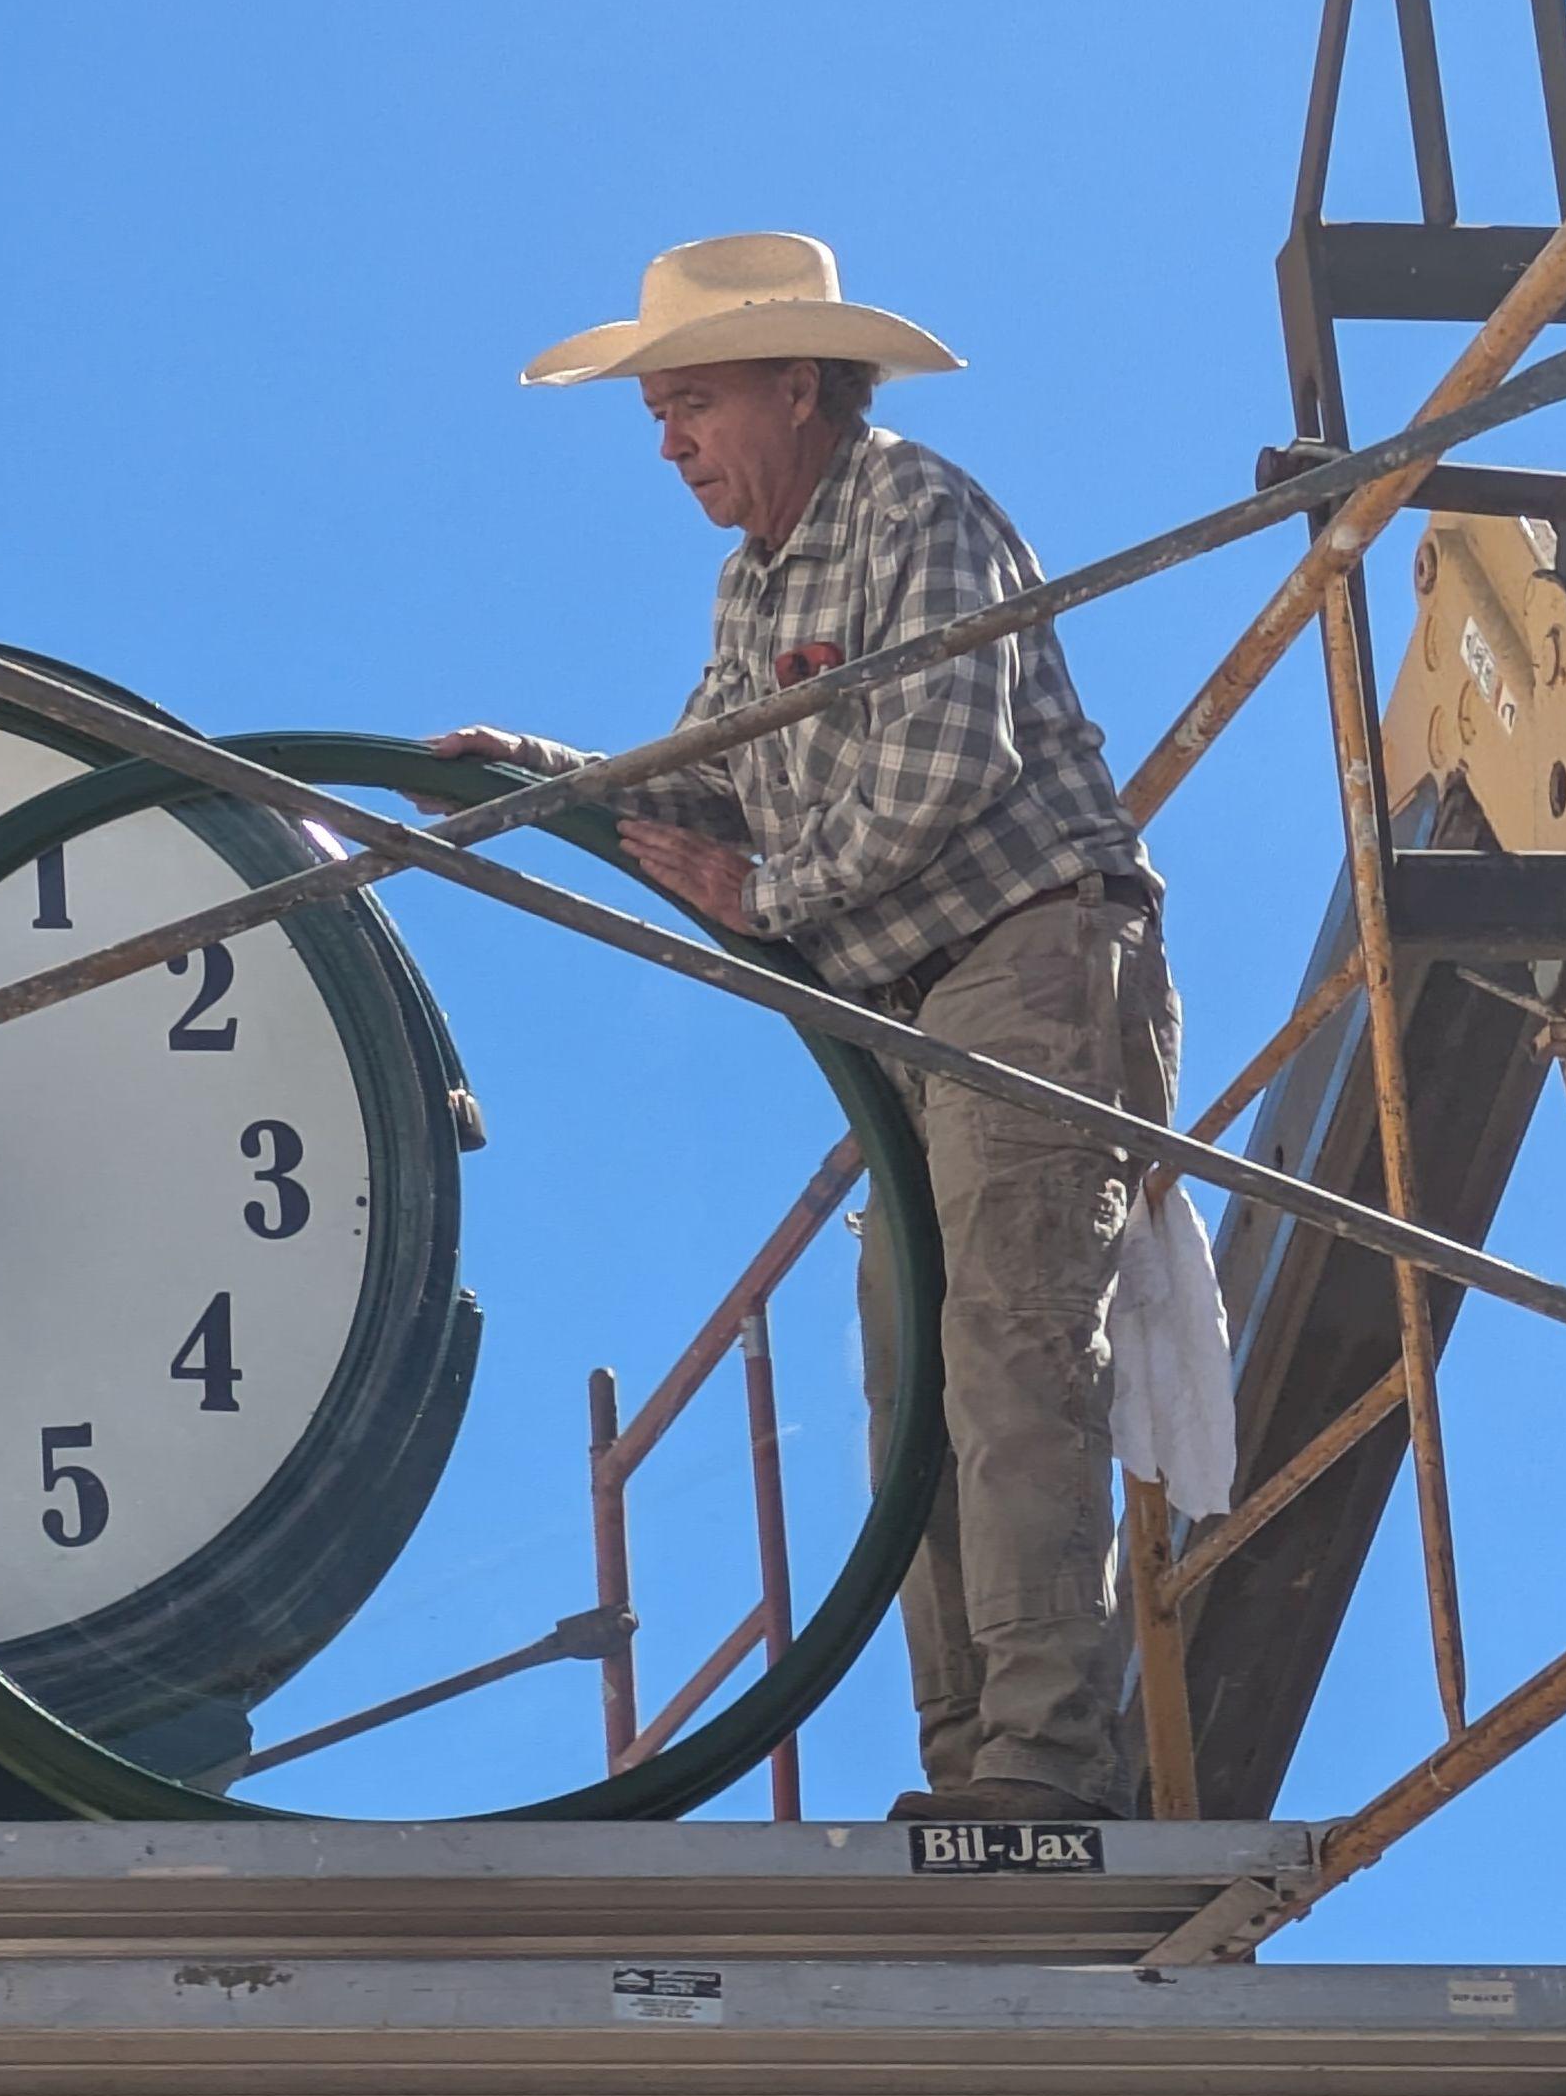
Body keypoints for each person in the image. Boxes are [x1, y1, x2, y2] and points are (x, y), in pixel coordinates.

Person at [435, 235, 1178, 1821]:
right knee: (920, 1388)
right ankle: (974, 1764)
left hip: (1026, 963)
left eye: (688, 402)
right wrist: (531, 777)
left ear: (797, 386)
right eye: (655, 413)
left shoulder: (913, 507)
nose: (667, 442)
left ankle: (1043, 1768)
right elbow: (710, 766)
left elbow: (935, 767)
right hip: (916, 1008)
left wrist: (771, 894)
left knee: (1007, 1363)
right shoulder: (756, 581)